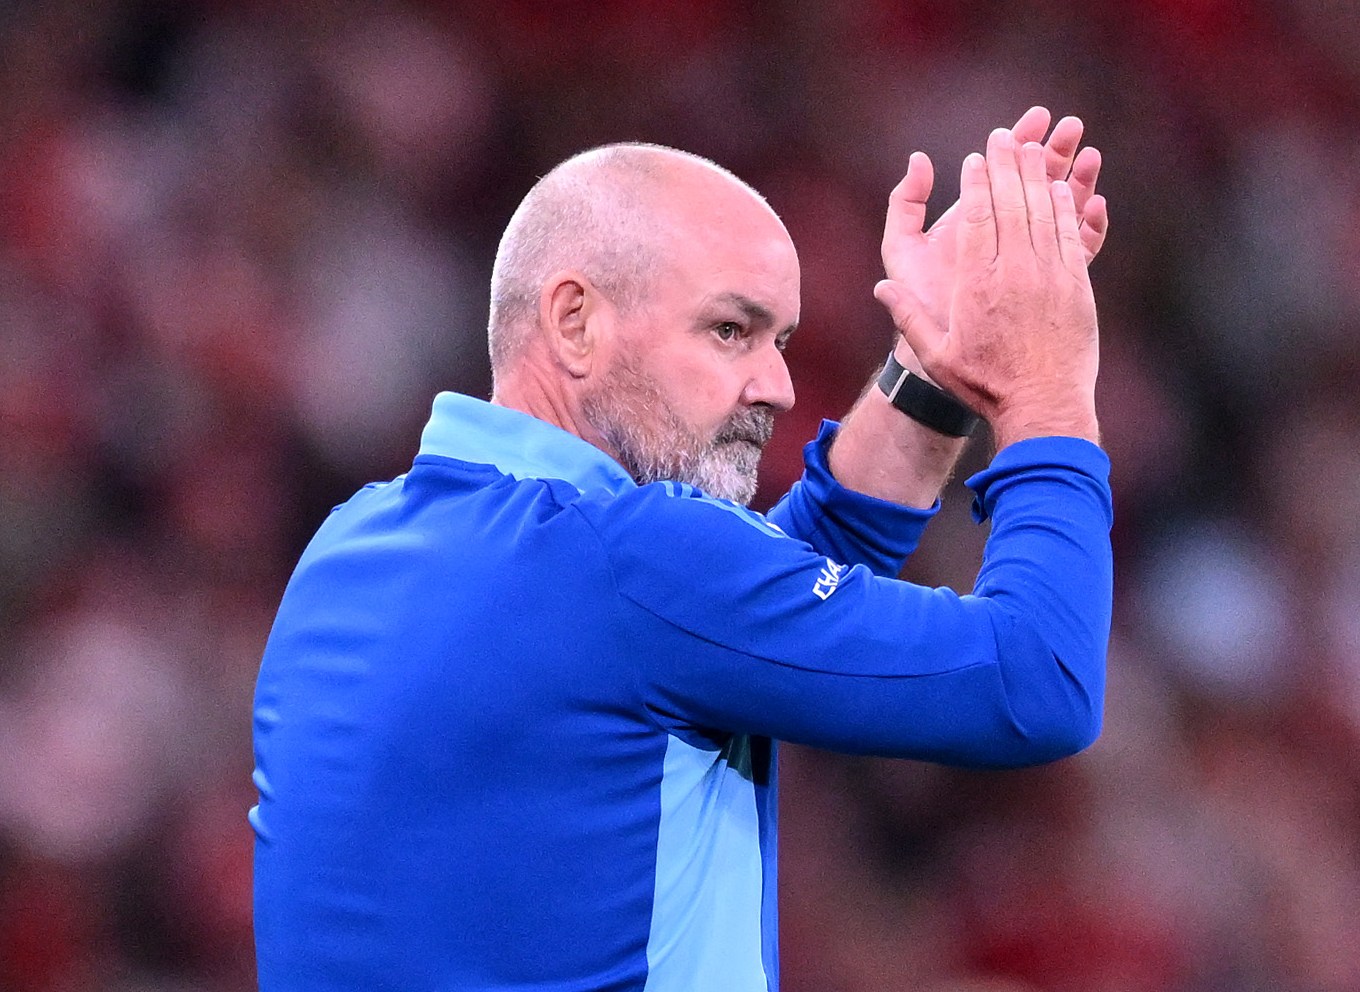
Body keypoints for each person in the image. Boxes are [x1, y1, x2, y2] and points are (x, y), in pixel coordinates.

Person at [251, 106, 1113, 991]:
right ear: (575, 322)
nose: (777, 387)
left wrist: (934, 374)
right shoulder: (628, 568)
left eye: (780, 342)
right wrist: (1047, 392)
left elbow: (735, 604)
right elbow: (1039, 680)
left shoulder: (352, 543)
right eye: (730, 331)